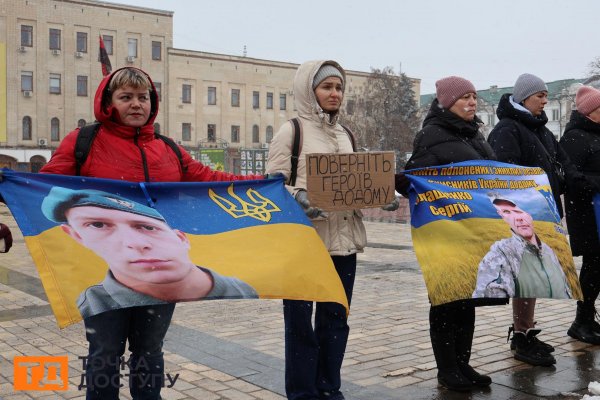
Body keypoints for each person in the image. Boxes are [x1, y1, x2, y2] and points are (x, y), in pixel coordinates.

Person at [40, 66, 261, 400]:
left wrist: (263, 183)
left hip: (157, 274)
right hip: (103, 274)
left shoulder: (167, 148)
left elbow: (207, 178)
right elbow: (45, 183)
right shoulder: (84, 141)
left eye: (142, 97)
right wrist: (7, 185)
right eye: (126, 97)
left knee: (150, 351)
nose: (136, 105)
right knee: (105, 353)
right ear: (109, 102)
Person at [266, 60, 398, 400]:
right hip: (303, 243)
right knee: (300, 324)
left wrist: (381, 196)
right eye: (327, 87)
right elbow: (272, 186)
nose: (334, 93)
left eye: (339, 87)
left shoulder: (347, 134)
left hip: (344, 243)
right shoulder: (291, 132)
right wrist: (301, 197)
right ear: (310, 91)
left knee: (335, 321)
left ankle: (329, 386)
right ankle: (302, 392)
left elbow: (354, 184)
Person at [403, 76, 505, 391]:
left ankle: (462, 363)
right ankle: (447, 370)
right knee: (446, 300)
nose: (472, 102)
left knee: (467, 299)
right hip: (444, 233)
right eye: (465, 97)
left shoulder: (475, 135)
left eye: (474, 97)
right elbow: (414, 179)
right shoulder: (431, 135)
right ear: (448, 102)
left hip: (473, 232)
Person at [41, 187, 258, 318]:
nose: (135, 244)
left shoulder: (244, 289)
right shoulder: (91, 306)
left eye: (148, 227)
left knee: (149, 353)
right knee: (106, 356)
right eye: (98, 225)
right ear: (77, 236)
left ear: (182, 238)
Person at [488, 73, 579, 367]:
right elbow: (505, 173)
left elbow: (561, 160)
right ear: (525, 97)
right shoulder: (508, 129)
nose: (545, 100)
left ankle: (525, 331)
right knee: (525, 275)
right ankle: (520, 336)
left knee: (535, 274)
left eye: (545, 95)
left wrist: (567, 180)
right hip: (523, 214)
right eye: (540, 95)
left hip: (545, 211)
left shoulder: (540, 130)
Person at [473, 194, 571, 300]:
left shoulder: (548, 251)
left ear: (530, 215)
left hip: (556, 313)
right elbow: (491, 297)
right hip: (528, 314)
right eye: (506, 212)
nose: (518, 218)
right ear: (504, 219)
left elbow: (566, 290)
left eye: (518, 211)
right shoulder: (501, 253)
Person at [560, 85, 600, 344]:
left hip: (597, 212)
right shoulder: (574, 137)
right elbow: (571, 177)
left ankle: (587, 318)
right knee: (593, 267)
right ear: (590, 112)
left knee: (597, 267)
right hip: (587, 213)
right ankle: (581, 321)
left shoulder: (596, 135)